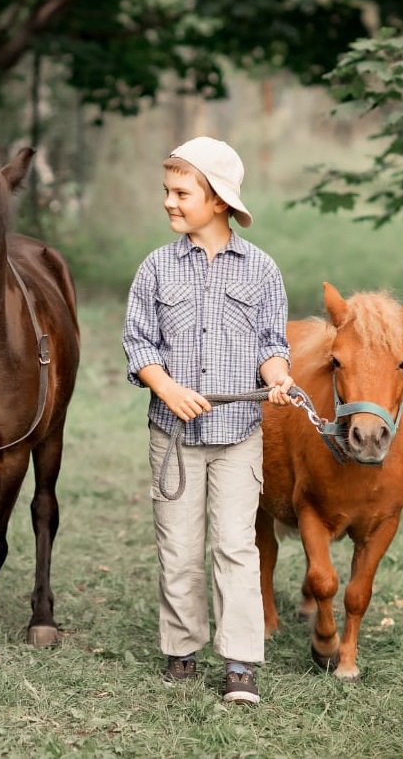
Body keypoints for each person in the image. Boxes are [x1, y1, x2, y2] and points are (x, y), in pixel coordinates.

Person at [121, 136, 294, 705]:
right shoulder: (156, 267)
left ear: (217, 200)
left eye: (180, 192)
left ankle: (240, 661)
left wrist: (278, 376)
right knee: (177, 545)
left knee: (236, 547)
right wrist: (167, 388)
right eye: (167, 191)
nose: (169, 202)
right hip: (172, 436)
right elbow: (138, 341)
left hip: (237, 436)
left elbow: (271, 342)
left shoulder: (262, 269)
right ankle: (181, 647)